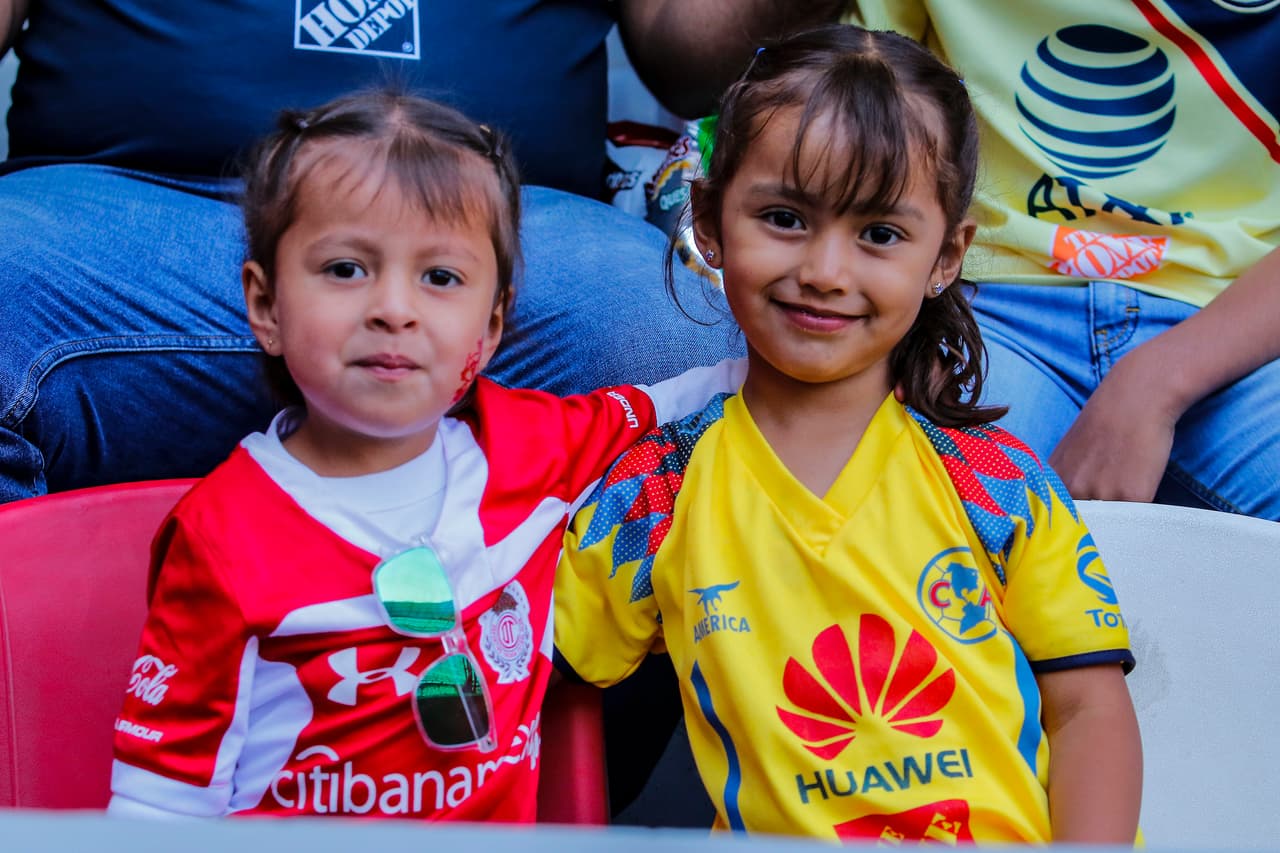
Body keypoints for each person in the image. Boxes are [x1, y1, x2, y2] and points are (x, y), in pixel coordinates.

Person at [554, 25, 1142, 843]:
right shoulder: (657, 493)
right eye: (785, 217)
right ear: (710, 220)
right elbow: (532, 675)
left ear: (948, 255)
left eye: (880, 234)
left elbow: (1088, 710)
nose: (826, 272)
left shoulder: (999, 484)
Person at [107, 90, 744, 820]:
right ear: (266, 304)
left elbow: (683, 399)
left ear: (492, 325)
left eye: (440, 278)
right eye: (346, 269)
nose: (394, 309)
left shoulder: (531, 446)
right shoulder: (224, 533)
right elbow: (159, 806)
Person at [0, 0, 846, 504]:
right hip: (114, 224)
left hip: (508, 232)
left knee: (669, 344)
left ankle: (539, 747)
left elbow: (688, 52)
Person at [839, 1, 1280, 520]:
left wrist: (1156, 383)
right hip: (986, 304)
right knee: (898, 497)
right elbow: (856, 112)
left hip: (1241, 324)